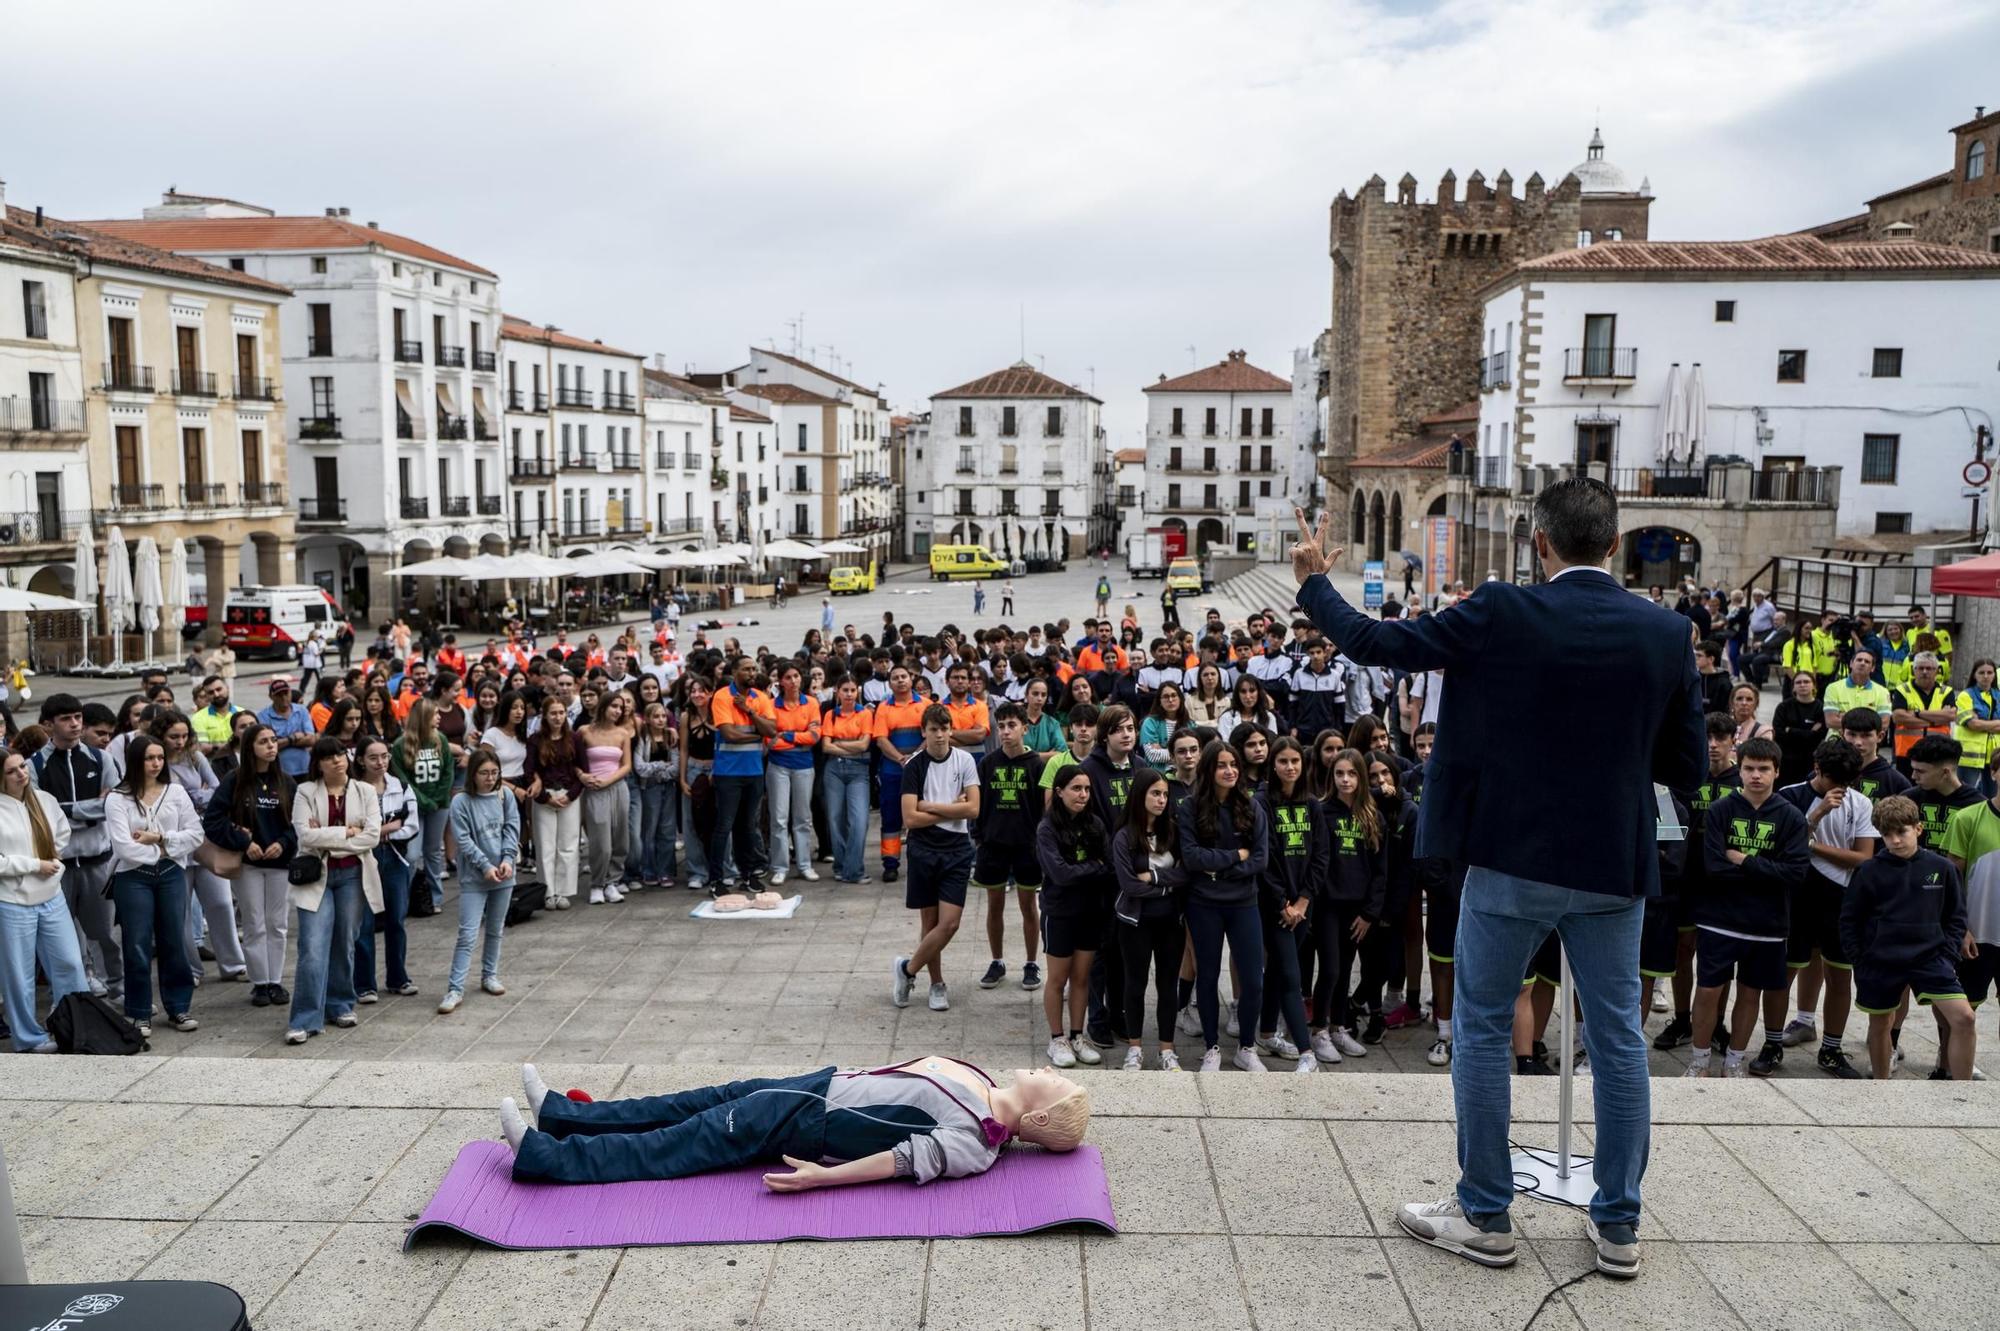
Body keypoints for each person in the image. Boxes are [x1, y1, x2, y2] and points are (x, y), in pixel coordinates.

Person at [1290, 482, 1703, 1279]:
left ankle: (1485, 1212)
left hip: (1510, 854)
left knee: (1480, 1023)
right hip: (1613, 860)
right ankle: (1617, 1224)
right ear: (1614, 547)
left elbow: (1379, 644)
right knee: (1617, 1038)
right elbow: (1685, 765)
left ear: (1538, 543)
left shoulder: (1502, 610)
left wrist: (1314, 582)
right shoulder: (1667, 631)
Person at [499, 1057, 1089, 1189]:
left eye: (1058, 1081)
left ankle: (548, 1158)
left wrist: (822, 1179)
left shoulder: (977, 1141)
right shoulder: (980, 1078)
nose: (1049, 1067)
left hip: (808, 1121)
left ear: (1039, 1114)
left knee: (685, 1140)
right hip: (815, 1087)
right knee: (693, 1101)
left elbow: (901, 1162)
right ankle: (565, 1114)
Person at [1688, 737, 1809, 1080]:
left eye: (1764, 769)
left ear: (1777, 772)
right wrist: (1767, 870)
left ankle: (1734, 1060)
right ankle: (1699, 1061)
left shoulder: (1790, 817)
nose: (1756, 776)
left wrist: (1744, 860)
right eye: (1749, 769)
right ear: (1739, 770)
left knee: (1749, 992)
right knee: (1709, 990)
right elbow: (1712, 866)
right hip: (1719, 918)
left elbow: (1796, 873)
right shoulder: (1721, 810)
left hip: (1767, 923)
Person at [1842, 795, 1975, 1079]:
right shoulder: (1868, 871)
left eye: (1901, 832)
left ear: (1918, 828)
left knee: (1964, 1017)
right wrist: (1861, 959)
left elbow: (1956, 917)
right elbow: (1850, 919)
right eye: (1887, 835)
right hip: (1881, 961)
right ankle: (1881, 1087)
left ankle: (1966, 1093)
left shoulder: (1942, 868)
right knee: (1881, 1025)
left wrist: (1949, 954)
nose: (1895, 841)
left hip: (1931, 957)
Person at [1774, 738, 1875, 1077]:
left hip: (1841, 901)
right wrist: (1816, 814)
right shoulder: (1790, 795)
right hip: (1797, 898)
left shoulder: (1860, 803)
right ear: (1817, 769)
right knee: (1784, 972)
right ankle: (1773, 1042)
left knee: (1839, 975)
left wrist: (1814, 846)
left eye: (1849, 783)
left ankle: (1831, 1048)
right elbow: (1784, 848)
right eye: (1837, 782)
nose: (1843, 789)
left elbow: (1862, 858)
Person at [106, 733, 205, 1037]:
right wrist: (161, 851)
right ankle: (138, 1011)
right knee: (137, 942)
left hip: (171, 872)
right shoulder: (117, 798)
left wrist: (162, 840)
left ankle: (178, 1006)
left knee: (174, 938)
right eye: (149, 758)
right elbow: (124, 847)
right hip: (133, 875)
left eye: (160, 757)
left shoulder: (175, 792)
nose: (156, 763)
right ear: (136, 760)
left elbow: (195, 834)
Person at [1179, 738, 1268, 1072]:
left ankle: (1246, 1046)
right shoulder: (1190, 808)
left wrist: (1219, 871)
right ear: (1209, 769)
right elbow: (1191, 856)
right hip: (1203, 903)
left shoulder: (1251, 805)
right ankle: (1212, 1047)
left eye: (1233, 765)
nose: (1229, 770)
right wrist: (1233, 857)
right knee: (1208, 974)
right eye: (1221, 765)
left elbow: (1259, 859)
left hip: (1244, 902)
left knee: (1253, 979)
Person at [287, 737, 381, 1044]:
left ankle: (340, 1003)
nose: (336, 761)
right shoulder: (305, 791)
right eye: (328, 757)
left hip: (353, 875)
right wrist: (346, 832)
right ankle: (305, 1018)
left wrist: (326, 837)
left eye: (340, 754)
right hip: (317, 878)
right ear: (319, 763)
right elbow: (304, 834)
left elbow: (371, 837)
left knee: (345, 942)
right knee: (312, 948)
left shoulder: (365, 791)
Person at [892, 705, 981, 1013]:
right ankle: (936, 983)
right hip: (923, 848)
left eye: (944, 729)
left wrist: (930, 806)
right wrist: (947, 808)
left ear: (951, 730)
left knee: (950, 923)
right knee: (930, 923)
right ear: (924, 732)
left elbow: (973, 810)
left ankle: (907, 969)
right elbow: (910, 819)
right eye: (933, 729)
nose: (940, 735)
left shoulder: (965, 760)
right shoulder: (915, 766)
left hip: (956, 848)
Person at [203, 724, 297, 1008]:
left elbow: (301, 822)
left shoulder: (286, 782)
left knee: (278, 924)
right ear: (249, 747)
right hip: (249, 864)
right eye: (263, 742)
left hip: (280, 863)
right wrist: (244, 843)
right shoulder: (235, 780)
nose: (271, 746)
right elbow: (213, 821)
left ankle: (276, 980)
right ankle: (260, 982)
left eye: (273, 741)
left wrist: (283, 842)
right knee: (255, 923)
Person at [33, 694, 117, 1001]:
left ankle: (119, 988)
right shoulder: (36, 765)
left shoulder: (100, 758)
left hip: (96, 860)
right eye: (66, 718)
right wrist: (87, 811)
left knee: (106, 932)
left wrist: (66, 812)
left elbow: (111, 805)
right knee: (63, 936)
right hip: (60, 864)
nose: (75, 724)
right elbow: (41, 813)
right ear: (48, 725)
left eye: (78, 717)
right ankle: (77, 988)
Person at [0, 749, 83, 1052]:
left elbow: (61, 835)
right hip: (11, 901)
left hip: (51, 893)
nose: (21, 773)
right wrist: (35, 865)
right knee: (19, 975)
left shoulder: (44, 800)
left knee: (70, 963)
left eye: (22, 766)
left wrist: (53, 863)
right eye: (11, 771)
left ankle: (76, 1025)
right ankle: (28, 1038)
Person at [156, 710, 245, 985]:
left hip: (203, 839)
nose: (180, 741)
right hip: (173, 842)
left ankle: (233, 964)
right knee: (180, 911)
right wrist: (195, 796)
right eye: (173, 736)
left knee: (220, 903)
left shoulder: (195, 757)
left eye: (184, 735)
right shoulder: (155, 761)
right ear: (161, 737)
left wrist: (191, 796)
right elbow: (160, 801)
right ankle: (190, 969)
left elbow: (217, 791)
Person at [1254, 738, 1323, 1074]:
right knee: (1291, 975)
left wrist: (1304, 901)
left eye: (1295, 760)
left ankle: (1267, 1033)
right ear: (1273, 764)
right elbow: (1265, 857)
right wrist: (1284, 903)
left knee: (1279, 972)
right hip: (1275, 906)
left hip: (1303, 906)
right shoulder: (1262, 802)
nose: (1290, 767)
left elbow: (1321, 855)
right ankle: (1307, 1052)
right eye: (1283, 761)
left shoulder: (1312, 804)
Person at [439, 749, 520, 1014]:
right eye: (484, 773)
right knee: (467, 933)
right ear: (473, 774)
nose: (490, 778)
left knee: (496, 928)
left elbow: (512, 828)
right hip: (475, 876)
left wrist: (508, 859)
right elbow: (463, 840)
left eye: (494, 773)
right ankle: (455, 987)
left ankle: (490, 974)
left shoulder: (504, 795)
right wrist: (485, 866)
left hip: (504, 873)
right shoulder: (461, 801)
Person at [973, 702, 1044, 993]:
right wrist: (980, 835)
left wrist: (1040, 841)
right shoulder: (988, 763)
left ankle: (1031, 963)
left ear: (1024, 728)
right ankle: (997, 961)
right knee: (994, 906)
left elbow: (1042, 807)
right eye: (1001, 726)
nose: (1005, 731)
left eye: (1011, 725)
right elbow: (980, 804)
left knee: (1029, 907)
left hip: (1026, 845)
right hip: (994, 844)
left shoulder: (1036, 764)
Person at [353, 736, 419, 1001]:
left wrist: (385, 832)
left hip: (394, 858)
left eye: (384, 756)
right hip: (364, 858)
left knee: (396, 920)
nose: (380, 762)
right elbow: (353, 829)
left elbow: (411, 825)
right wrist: (387, 826)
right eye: (373, 757)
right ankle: (364, 984)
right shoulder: (354, 790)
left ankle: (398, 978)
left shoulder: (401, 786)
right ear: (360, 760)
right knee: (364, 923)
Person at [711, 656, 778, 893]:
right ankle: (716, 880)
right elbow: (730, 735)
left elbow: (772, 729)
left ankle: (749, 875)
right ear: (735, 671)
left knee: (748, 827)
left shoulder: (760, 698)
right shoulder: (722, 696)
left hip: (754, 772)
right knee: (724, 826)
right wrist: (758, 736)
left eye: (755, 669)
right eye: (747, 669)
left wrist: (749, 711)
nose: (752, 673)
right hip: (728, 773)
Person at [393, 698, 456, 913]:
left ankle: (435, 898)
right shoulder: (401, 745)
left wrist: (438, 798)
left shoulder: (441, 740)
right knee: (412, 854)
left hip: (440, 805)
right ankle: (406, 898)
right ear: (423, 717)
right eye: (435, 714)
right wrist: (424, 800)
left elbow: (448, 773)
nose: (439, 717)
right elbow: (403, 780)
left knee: (433, 852)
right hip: (414, 807)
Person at [525, 696, 585, 910]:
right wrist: (546, 798)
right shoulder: (535, 740)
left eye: (561, 713)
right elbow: (529, 771)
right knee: (545, 846)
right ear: (545, 715)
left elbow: (582, 770)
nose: (557, 717)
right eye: (553, 713)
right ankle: (548, 891)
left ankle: (564, 890)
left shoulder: (574, 739)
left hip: (569, 795)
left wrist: (570, 796)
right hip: (546, 797)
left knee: (568, 845)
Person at [577, 691, 634, 905]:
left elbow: (627, 765)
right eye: (614, 706)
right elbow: (573, 759)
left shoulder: (622, 733)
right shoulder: (584, 731)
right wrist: (582, 776)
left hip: (617, 787)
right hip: (593, 789)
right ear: (603, 707)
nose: (618, 710)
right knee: (601, 841)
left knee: (621, 839)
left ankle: (613, 882)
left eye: (621, 707)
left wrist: (609, 781)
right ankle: (597, 884)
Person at [871, 665, 927, 883]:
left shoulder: (925, 705)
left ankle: (921, 862)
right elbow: (881, 739)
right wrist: (900, 759)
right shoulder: (884, 708)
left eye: (904, 676)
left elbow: (932, 734)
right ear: (890, 683)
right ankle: (891, 863)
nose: (900, 680)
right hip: (892, 772)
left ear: (911, 679)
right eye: (895, 678)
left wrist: (914, 758)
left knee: (922, 816)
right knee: (891, 818)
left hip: (921, 771)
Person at [766, 662, 821, 886]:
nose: (793, 681)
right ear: (781, 681)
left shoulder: (811, 703)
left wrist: (787, 736)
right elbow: (769, 741)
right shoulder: (771, 705)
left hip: (804, 765)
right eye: (788, 677)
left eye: (796, 676)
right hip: (778, 765)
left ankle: (805, 864)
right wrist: (800, 737)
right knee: (779, 818)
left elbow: (815, 736)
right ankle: (780, 866)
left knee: (803, 817)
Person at [818, 679, 874, 886]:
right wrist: (850, 746)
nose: (849, 694)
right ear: (837, 692)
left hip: (858, 770)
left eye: (852, 690)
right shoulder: (831, 715)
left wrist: (838, 744)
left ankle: (854, 869)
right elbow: (825, 747)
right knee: (835, 819)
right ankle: (841, 866)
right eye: (845, 690)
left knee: (859, 820)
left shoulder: (865, 714)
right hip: (834, 770)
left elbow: (864, 744)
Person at [633, 702, 679, 890]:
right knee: (649, 830)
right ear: (647, 719)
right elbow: (640, 767)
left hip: (668, 786)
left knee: (667, 830)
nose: (660, 720)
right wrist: (661, 765)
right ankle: (649, 870)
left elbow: (675, 766)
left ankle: (665, 871)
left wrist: (663, 773)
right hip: (649, 788)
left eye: (663, 716)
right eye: (656, 716)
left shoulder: (670, 736)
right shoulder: (643, 737)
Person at [258, 677, 319, 780]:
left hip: (305, 768)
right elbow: (268, 746)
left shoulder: (301, 710)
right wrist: (292, 738)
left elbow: (311, 739)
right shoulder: (263, 716)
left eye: (286, 693)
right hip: (279, 771)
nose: (283, 697)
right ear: (271, 697)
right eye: (279, 695)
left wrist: (280, 741)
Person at [1954, 659, 1999, 795]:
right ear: (1974, 675)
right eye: (1981, 672)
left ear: (1994, 675)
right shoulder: (1965, 696)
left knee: (1992, 796)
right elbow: (1972, 724)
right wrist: (1994, 724)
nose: (1986, 676)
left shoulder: (1998, 695)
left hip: (1994, 754)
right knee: (1964, 794)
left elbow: (1978, 724)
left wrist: (1981, 722)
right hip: (1970, 755)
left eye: (1990, 672)